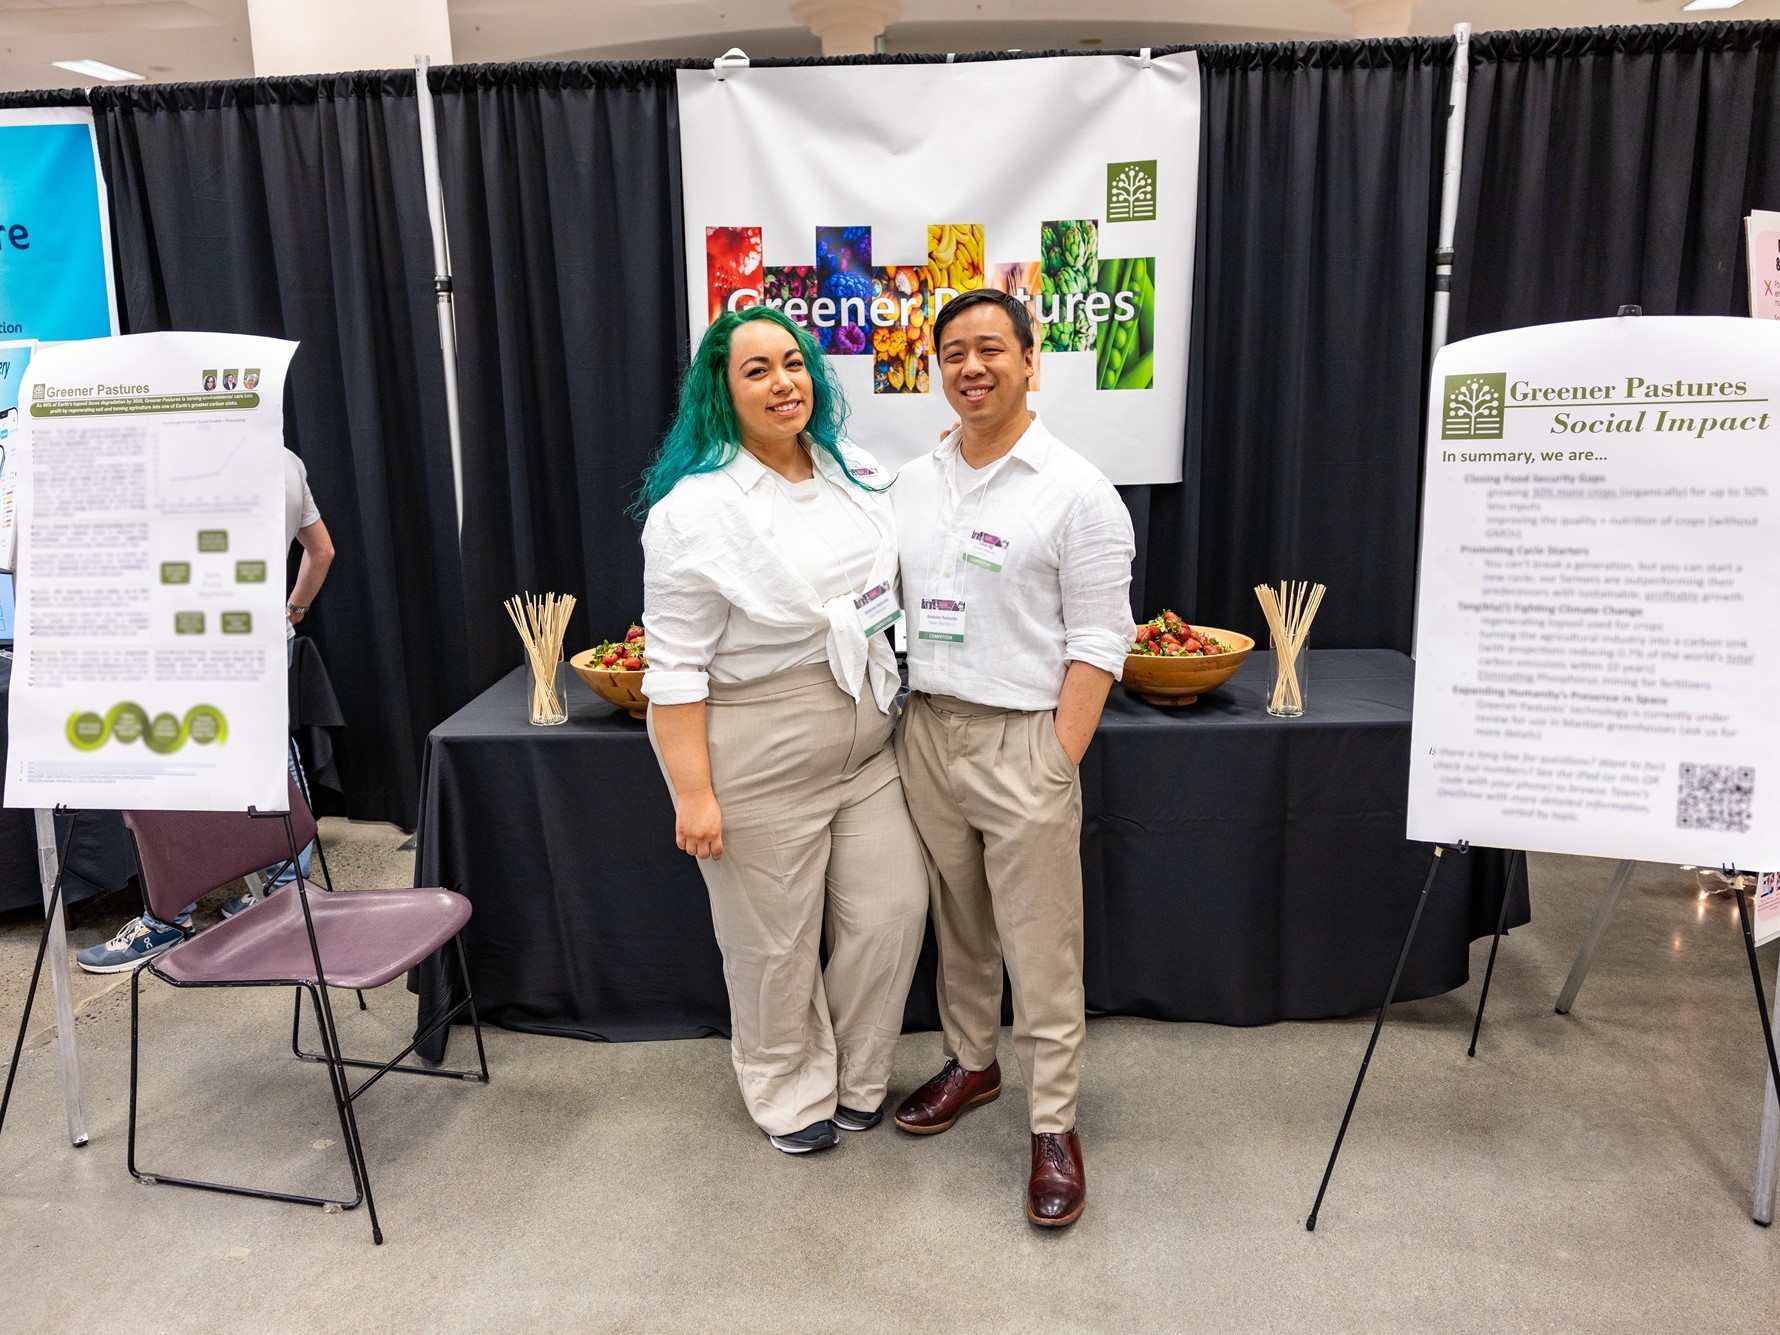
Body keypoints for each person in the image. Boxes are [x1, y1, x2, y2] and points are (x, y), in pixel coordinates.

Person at [638, 305, 929, 1155]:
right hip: (756, 750)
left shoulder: (857, 471)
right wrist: (694, 793)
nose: (782, 382)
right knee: (772, 944)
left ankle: (858, 1075)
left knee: (893, 911)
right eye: (756, 369)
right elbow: (676, 668)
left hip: (867, 739)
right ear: (720, 392)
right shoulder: (694, 511)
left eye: (793, 364)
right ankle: (785, 1086)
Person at [888, 288, 1135, 1227]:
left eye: (991, 348)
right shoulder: (912, 482)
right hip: (929, 732)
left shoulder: (1078, 492)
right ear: (937, 370)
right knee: (961, 925)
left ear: (1033, 361)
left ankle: (1054, 1120)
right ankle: (975, 1064)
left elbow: (1101, 642)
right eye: (953, 353)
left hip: (1023, 739)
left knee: (1042, 946)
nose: (971, 366)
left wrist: (1055, 758)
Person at [77, 447, 336, 972]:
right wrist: (291, 612)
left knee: (169, 773)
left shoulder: (178, 456)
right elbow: (322, 550)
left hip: (191, 640)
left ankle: (169, 919)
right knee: (271, 756)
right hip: (261, 636)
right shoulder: (282, 458)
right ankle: (289, 888)